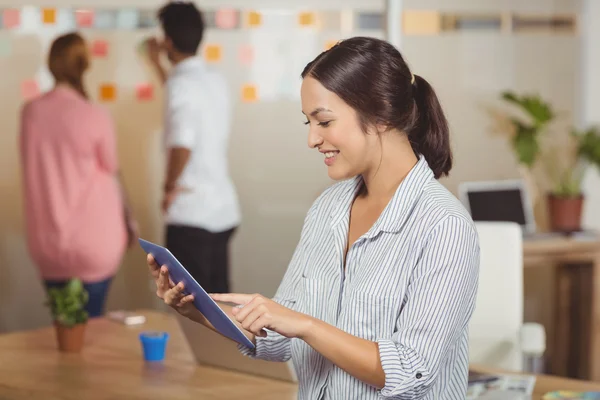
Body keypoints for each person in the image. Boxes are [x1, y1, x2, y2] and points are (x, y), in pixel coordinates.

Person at [147, 37, 480, 399]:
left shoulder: (443, 225)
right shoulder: (328, 208)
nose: (312, 139)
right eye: (308, 122)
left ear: (381, 115)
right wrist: (200, 311)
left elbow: (410, 369)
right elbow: (282, 337)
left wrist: (306, 325)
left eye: (323, 121)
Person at [19, 32, 138, 318]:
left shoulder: (30, 113)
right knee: (91, 327)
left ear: (51, 64)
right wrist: (130, 219)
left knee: (66, 330)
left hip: (47, 245)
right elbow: (112, 170)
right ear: (84, 66)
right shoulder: (94, 115)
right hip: (95, 243)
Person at [144, 1, 240, 293]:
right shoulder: (214, 80)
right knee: (220, 303)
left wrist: (167, 188)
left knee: (191, 306)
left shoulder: (181, 86)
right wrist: (157, 64)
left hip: (191, 213)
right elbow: (182, 98)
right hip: (222, 209)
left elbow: (182, 143)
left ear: (168, 41)